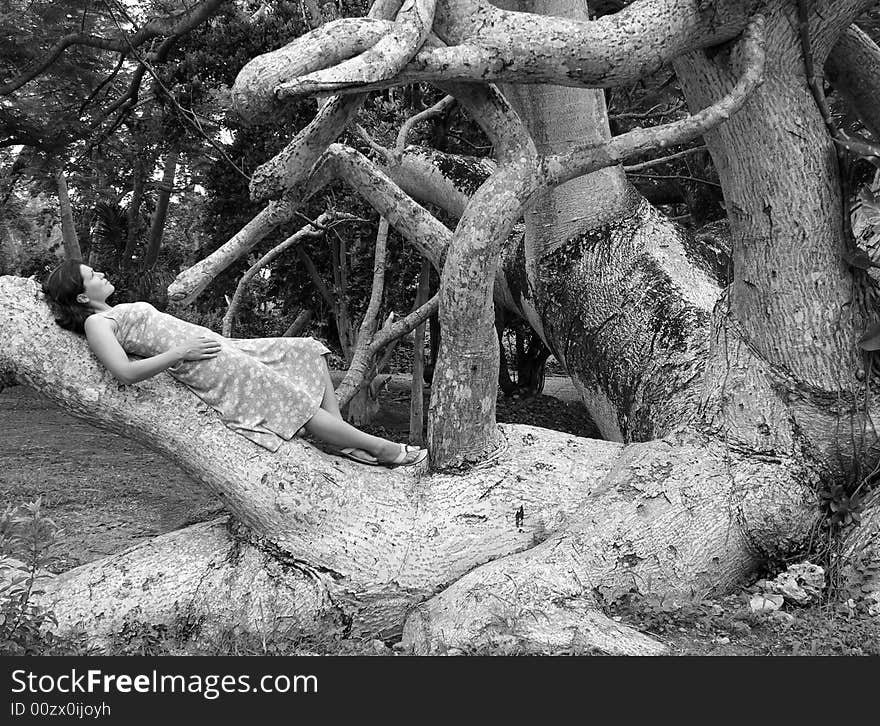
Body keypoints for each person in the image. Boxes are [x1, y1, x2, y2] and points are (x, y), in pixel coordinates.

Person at [41, 260, 427, 468]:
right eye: (92, 276)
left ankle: (342, 437)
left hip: (220, 347)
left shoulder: (112, 310)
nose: (102, 273)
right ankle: (381, 449)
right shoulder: (97, 322)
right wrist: (182, 352)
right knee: (291, 401)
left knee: (308, 350)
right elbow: (124, 373)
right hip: (206, 364)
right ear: (79, 298)